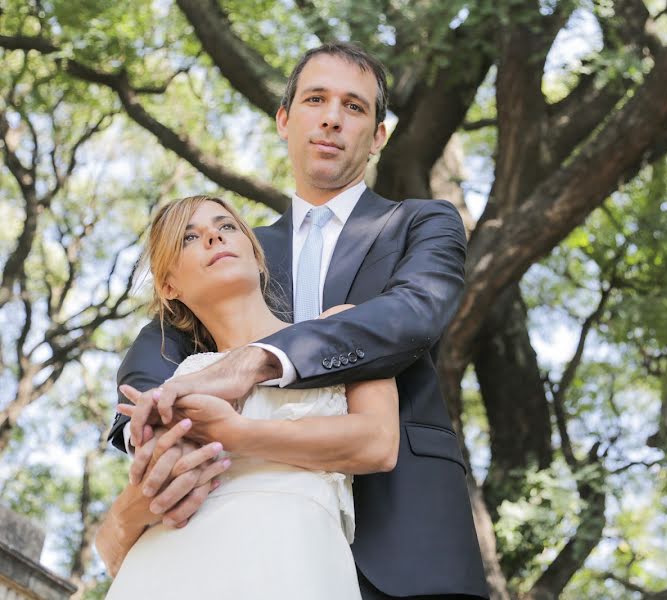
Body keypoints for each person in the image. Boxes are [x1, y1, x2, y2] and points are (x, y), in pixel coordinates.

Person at [107, 42, 489, 599]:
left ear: (378, 136)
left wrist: (257, 362)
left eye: (354, 107)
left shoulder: (422, 222)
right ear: (284, 120)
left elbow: (414, 311)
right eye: (315, 99)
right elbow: (157, 350)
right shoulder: (235, 252)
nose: (332, 117)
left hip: (409, 532)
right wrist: (150, 424)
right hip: (237, 536)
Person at [97, 196, 398, 598]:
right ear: (169, 286)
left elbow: (378, 443)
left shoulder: (341, 325)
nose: (212, 237)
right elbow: (155, 488)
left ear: (256, 257)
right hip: (169, 565)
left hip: (295, 557)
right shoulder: (178, 380)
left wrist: (236, 432)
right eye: (189, 237)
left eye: (226, 227)